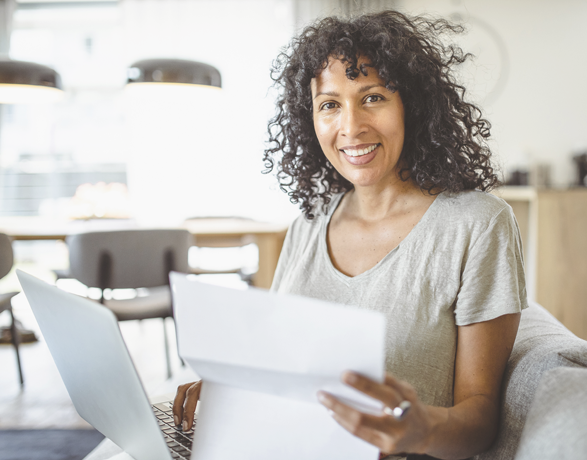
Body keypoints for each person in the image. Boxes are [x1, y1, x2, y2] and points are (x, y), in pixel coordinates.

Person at [174, 10, 527, 460]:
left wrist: (418, 431)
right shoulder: (308, 224)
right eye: (329, 104)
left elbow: (480, 419)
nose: (351, 126)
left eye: (373, 97)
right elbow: (288, 366)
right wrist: (237, 389)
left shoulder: (477, 222)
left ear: (411, 105)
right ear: (311, 119)